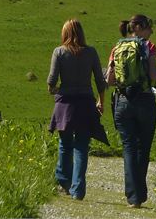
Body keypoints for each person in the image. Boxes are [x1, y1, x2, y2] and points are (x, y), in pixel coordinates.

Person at [108, 14, 156, 208]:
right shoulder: (148, 46)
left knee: (128, 148)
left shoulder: (117, 47)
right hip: (144, 100)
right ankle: (140, 194)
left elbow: (109, 81)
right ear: (141, 27)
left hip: (122, 101)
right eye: (149, 28)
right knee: (143, 148)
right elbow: (153, 76)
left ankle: (133, 197)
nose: (151, 32)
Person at [47, 18, 108, 200]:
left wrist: (58, 91)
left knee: (65, 144)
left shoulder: (59, 52)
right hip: (85, 104)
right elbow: (100, 81)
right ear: (81, 33)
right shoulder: (91, 52)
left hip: (64, 104)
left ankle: (64, 182)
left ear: (65, 33)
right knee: (81, 147)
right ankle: (78, 190)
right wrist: (101, 102)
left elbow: (51, 82)